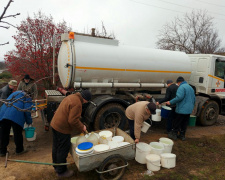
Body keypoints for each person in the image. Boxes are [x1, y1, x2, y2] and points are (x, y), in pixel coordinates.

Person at [50, 89, 92, 178]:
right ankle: (61, 172)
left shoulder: (71, 96)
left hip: (55, 124)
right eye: (86, 102)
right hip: (62, 128)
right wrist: (82, 127)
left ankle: (56, 166)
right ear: (85, 99)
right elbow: (72, 120)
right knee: (63, 148)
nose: (85, 103)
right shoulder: (78, 103)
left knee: (56, 146)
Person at [0, 91, 33, 157]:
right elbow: (27, 110)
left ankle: (2, 151)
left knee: (4, 133)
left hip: (3, 113)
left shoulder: (15, 93)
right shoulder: (27, 97)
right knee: (17, 133)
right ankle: (19, 150)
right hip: (16, 115)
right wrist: (29, 121)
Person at [166, 76, 195, 141]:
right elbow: (194, 98)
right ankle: (182, 136)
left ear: (179, 82)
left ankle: (174, 135)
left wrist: (170, 102)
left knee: (177, 122)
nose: (177, 84)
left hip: (182, 109)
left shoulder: (181, 87)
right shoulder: (190, 87)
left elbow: (179, 97)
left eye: (177, 83)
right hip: (188, 109)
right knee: (184, 123)